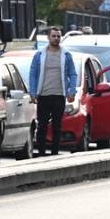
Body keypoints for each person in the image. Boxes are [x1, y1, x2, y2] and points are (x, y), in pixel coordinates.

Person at [28, 26, 78, 154]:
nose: (56, 38)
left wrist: (71, 91)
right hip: (43, 95)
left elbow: (72, 74)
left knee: (57, 126)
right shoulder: (40, 54)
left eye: (58, 36)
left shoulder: (66, 55)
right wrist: (33, 92)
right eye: (53, 36)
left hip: (59, 95)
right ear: (48, 37)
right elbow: (33, 74)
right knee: (42, 126)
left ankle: (55, 152)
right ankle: (41, 152)